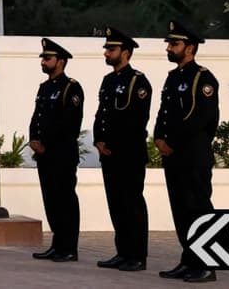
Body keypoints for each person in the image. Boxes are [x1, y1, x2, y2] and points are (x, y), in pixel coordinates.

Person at [155, 20, 220, 283]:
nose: (168, 48)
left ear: (190, 48)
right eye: (169, 43)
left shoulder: (203, 78)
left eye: (174, 44)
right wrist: (159, 137)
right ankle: (189, 259)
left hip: (193, 156)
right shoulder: (173, 78)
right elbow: (164, 113)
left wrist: (172, 141)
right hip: (174, 156)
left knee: (198, 209)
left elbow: (202, 119)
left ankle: (206, 265)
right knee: (181, 211)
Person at [93, 26, 151, 273]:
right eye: (106, 48)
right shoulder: (108, 81)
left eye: (111, 49)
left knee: (132, 204)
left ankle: (137, 255)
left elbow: (136, 121)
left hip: (129, 154)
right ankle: (123, 251)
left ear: (125, 52)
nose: (106, 52)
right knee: (116, 204)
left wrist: (113, 145)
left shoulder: (138, 81)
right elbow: (101, 115)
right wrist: (99, 140)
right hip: (109, 154)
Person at [29, 38, 84, 263]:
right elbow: (37, 117)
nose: (43, 61)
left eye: (47, 58)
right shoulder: (45, 88)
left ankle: (69, 247)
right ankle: (57, 244)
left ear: (60, 61)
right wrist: (33, 139)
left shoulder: (71, 88)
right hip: (44, 154)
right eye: (43, 57)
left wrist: (45, 142)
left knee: (65, 200)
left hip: (61, 153)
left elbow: (69, 123)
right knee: (51, 201)